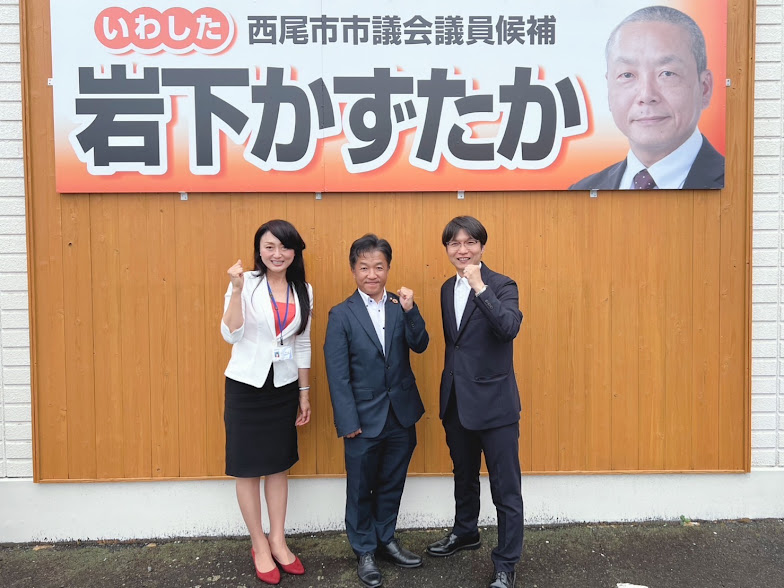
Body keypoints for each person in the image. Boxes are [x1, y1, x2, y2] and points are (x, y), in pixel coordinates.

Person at [324, 234, 429, 588]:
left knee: (392, 482)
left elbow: (420, 344)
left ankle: (386, 539)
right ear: (353, 270)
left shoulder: (400, 306)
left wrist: (412, 311)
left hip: (400, 414)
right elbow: (337, 374)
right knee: (360, 488)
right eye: (364, 267)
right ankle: (364, 550)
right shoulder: (341, 314)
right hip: (362, 419)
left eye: (379, 267)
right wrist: (347, 421)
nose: (372, 274)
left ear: (388, 268)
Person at [426, 216, 524, 588]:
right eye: (454, 243)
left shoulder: (502, 285)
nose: (462, 250)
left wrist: (480, 287)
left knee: (505, 488)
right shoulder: (445, 289)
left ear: (482, 246)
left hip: (496, 405)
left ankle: (506, 562)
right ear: (447, 248)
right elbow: (458, 345)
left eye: (470, 242)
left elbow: (508, 328)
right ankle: (466, 531)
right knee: (463, 476)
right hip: (457, 401)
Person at [221, 219, 313, 585]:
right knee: (248, 468)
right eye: (269, 246)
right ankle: (259, 544)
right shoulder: (245, 283)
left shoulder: (303, 289)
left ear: (295, 251)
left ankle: (278, 539)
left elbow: (302, 343)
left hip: (283, 387)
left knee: (278, 466)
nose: (277, 254)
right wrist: (235, 290)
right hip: (246, 386)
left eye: (285, 247)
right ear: (259, 250)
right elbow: (231, 333)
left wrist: (304, 393)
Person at [571, 5, 724, 190]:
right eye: (627, 75)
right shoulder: (581, 191)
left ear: (704, 88)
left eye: (667, 73)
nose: (646, 95)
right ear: (609, 89)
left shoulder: (740, 184)